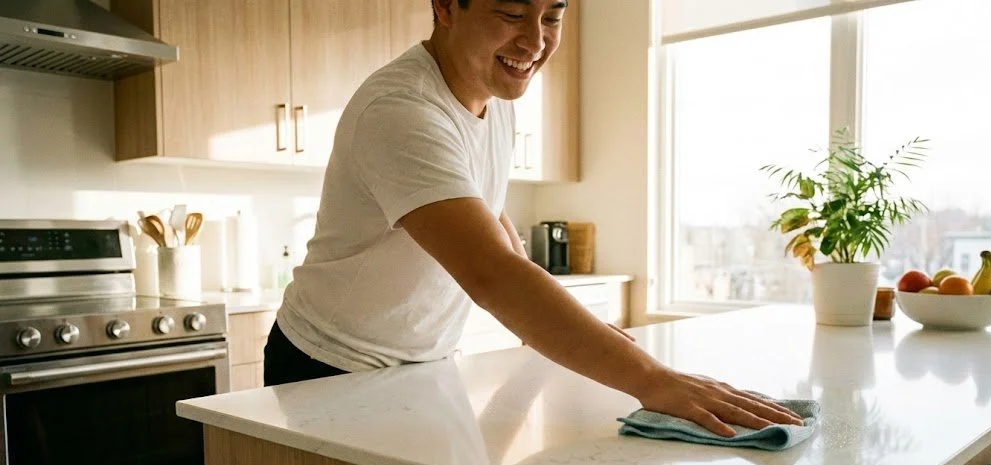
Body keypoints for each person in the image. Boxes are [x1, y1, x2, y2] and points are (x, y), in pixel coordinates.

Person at [263, 0, 803, 437]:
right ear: (447, 7)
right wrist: (654, 381)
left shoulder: (495, 96)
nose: (536, 41)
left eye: (553, 16)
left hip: (416, 364)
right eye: (513, 14)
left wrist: (541, 327)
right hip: (327, 365)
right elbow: (489, 272)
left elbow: (486, 211)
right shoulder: (402, 111)